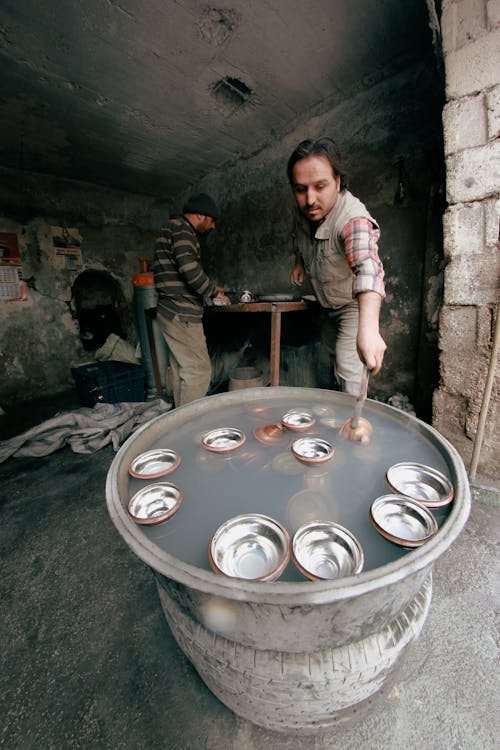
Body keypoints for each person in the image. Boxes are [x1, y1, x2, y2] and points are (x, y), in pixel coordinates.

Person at [288, 137, 386, 395]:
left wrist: (368, 330)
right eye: (300, 189)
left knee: (349, 368)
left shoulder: (352, 218)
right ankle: (329, 419)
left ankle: (354, 427)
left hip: (351, 306)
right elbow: (297, 235)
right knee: (322, 364)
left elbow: (368, 268)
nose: (310, 200)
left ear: (338, 181)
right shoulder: (301, 213)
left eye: (320, 186)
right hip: (325, 305)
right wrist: (299, 263)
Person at [153, 193, 230, 407]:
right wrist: (215, 292)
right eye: (212, 220)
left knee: (182, 369)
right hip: (181, 312)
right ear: (200, 215)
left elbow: (180, 270)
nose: (213, 226)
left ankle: (178, 420)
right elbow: (190, 270)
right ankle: (190, 424)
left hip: (168, 310)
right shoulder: (183, 230)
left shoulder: (169, 228)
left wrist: (212, 287)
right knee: (198, 370)